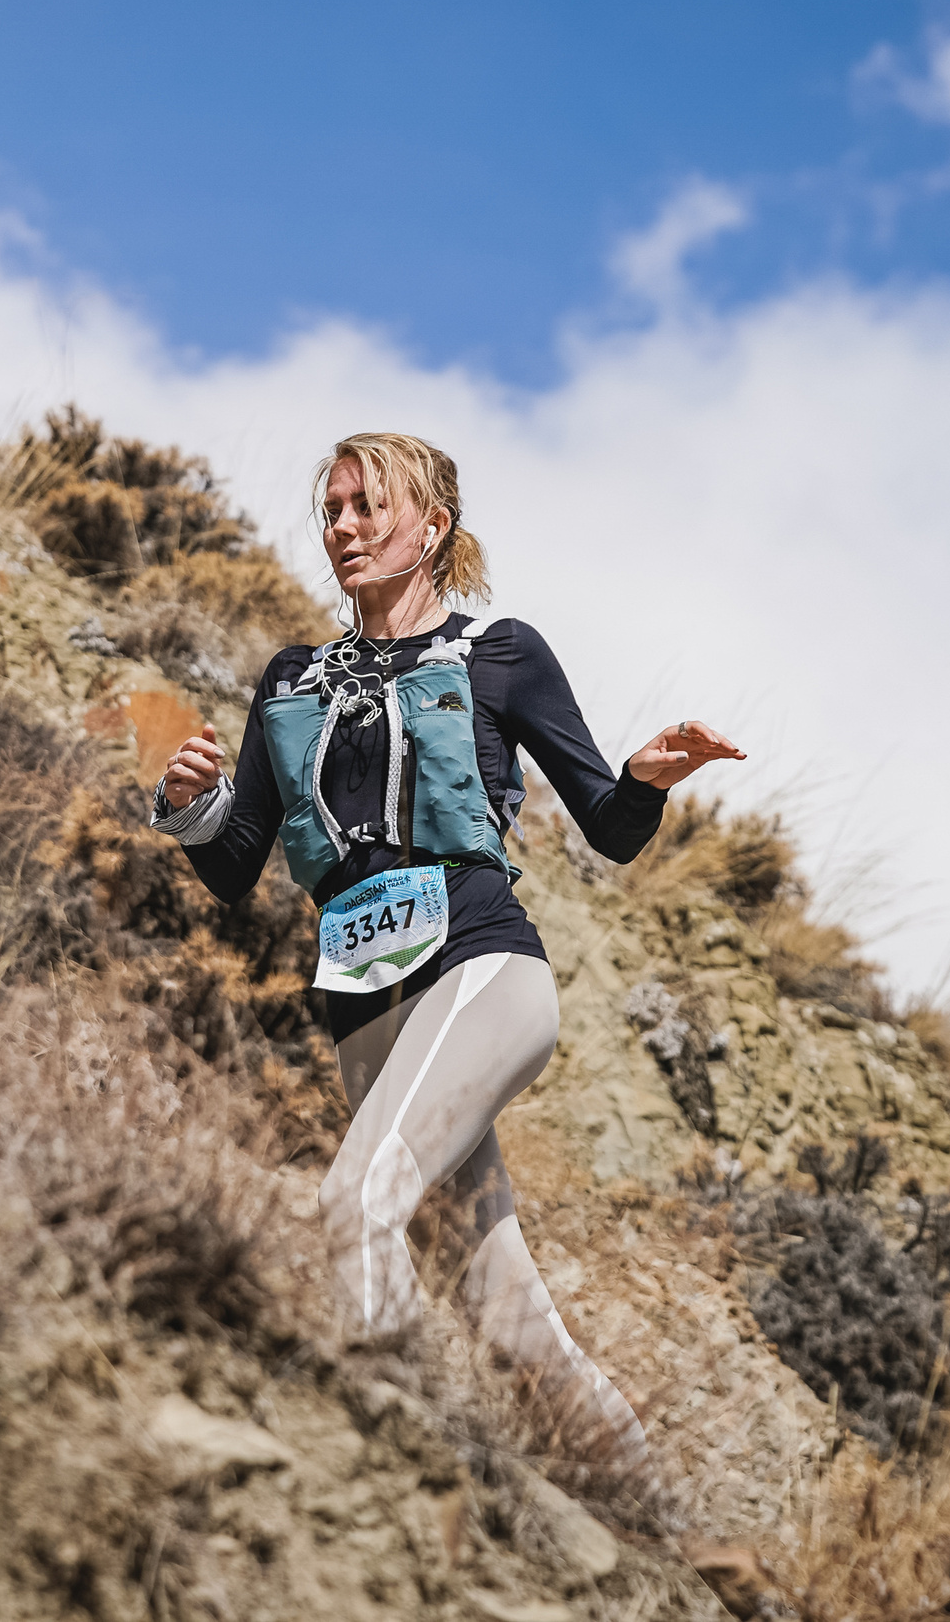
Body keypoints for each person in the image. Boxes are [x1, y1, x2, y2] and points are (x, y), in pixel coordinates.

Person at [151, 432, 745, 1467]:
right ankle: (667, 1519)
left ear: (431, 528)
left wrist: (646, 777)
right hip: (363, 1009)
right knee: (506, 1317)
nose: (341, 527)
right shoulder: (291, 680)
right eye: (331, 509)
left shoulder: (501, 653)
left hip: (481, 968)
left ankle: (391, 1451)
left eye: (367, 507)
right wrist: (187, 806)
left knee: (354, 1200)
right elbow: (237, 864)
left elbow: (606, 827)